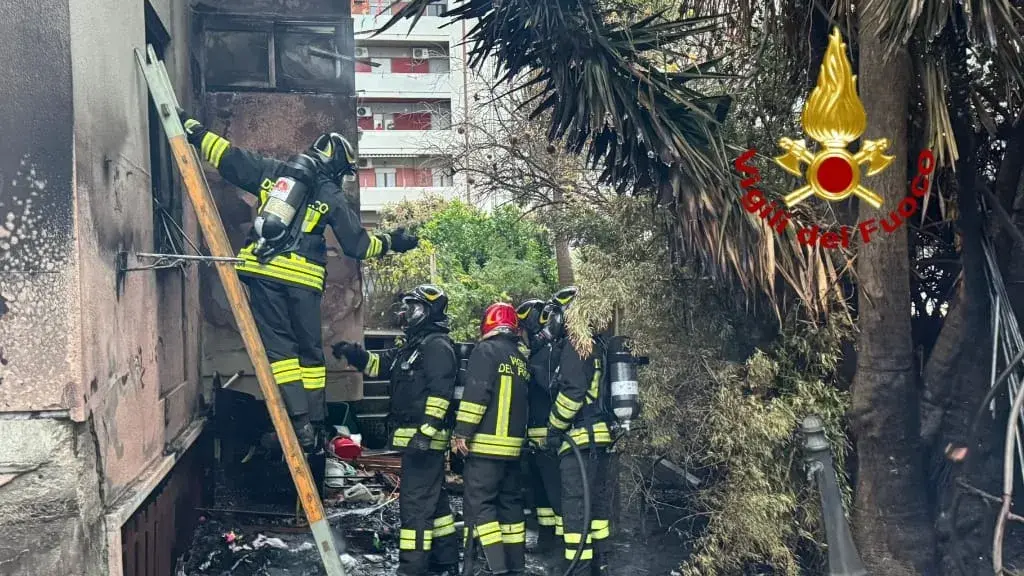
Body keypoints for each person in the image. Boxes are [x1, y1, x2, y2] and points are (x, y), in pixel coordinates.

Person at [177, 111, 419, 449]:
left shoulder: (273, 173)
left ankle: (300, 424)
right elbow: (358, 246)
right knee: (309, 354)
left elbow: (228, 157)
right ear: (337, 165)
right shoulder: (329, 194)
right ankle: (315, 425)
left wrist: (192, 128)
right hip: (303, 282)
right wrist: (395, 241)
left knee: (281, 354)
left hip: (263, 274)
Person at [332, 285, 459, 576]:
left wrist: (425, 435)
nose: (406, 313)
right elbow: (380, 366)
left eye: (413, 308)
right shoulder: (411, 346)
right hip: (413, 442)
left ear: (430, 312)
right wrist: (353, 354)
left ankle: (411, 568)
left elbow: (441, 395)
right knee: (434, 504)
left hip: (425, 443)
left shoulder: (437, 346)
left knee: (414, 509)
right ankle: (445, 561)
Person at [451, 303, 530, 576]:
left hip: (485, 447)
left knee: (480, 506)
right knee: (510, 507)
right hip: (513, 450)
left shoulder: (485, 351)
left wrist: (462, 432)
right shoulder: (520, 357)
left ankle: (494, 568)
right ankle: (515, 566)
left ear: (488, 323)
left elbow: (476, 395)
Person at [541, 287, 614, 576]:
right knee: (596, 510)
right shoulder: (599, 345)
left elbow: (572, 394)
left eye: (555, 315)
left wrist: (553, 429)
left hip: (578, 440)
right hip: (598, 440)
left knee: (574, 510)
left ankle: (577, 568)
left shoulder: (576, 344)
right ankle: (601, 564)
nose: (551, 323)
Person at [516, 298, 563, 558]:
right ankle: (547, 541)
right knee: (541, 496)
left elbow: (549, 389)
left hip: (548, 438)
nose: (520, 336)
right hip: (536, 440)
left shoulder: (546, 356)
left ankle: (563, 545)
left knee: (555, 495)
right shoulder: (538, 355)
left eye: (522, 329)